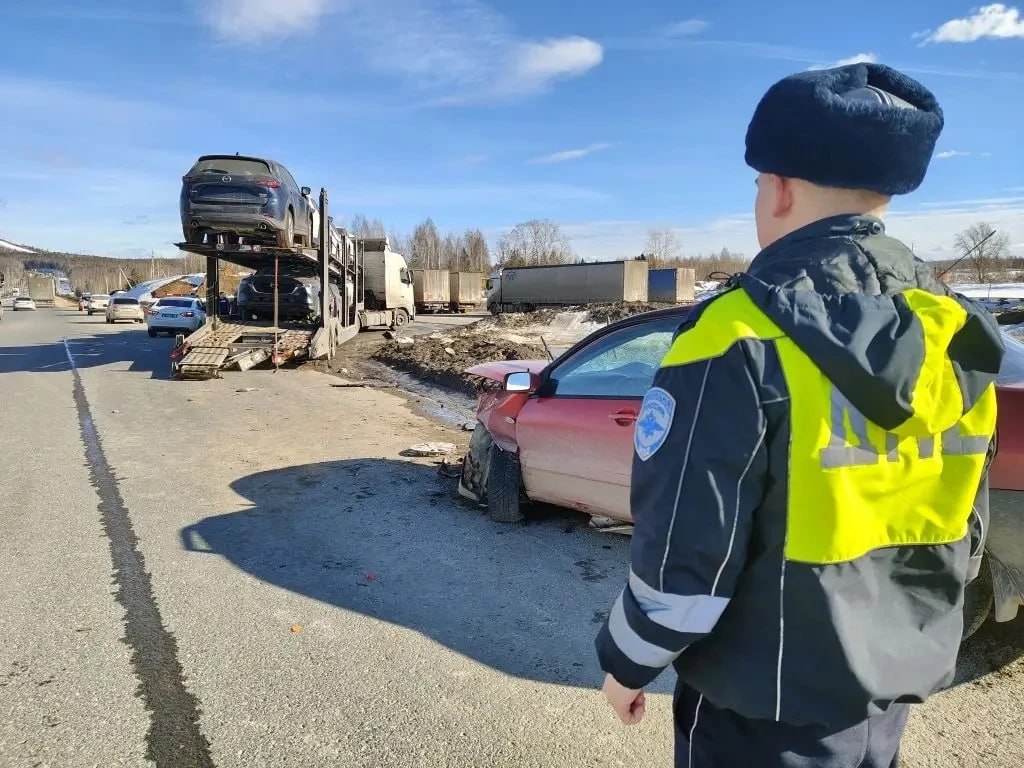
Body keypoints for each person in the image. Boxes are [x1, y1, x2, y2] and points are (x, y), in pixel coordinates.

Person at [594, 62, 1005, 767]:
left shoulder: (734, 336)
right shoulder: (957, 331)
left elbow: (686, 553)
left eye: (757, 184)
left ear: (779, 189)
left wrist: (629, 662)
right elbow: (969, 523)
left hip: (760, 712)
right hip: (886, 698)